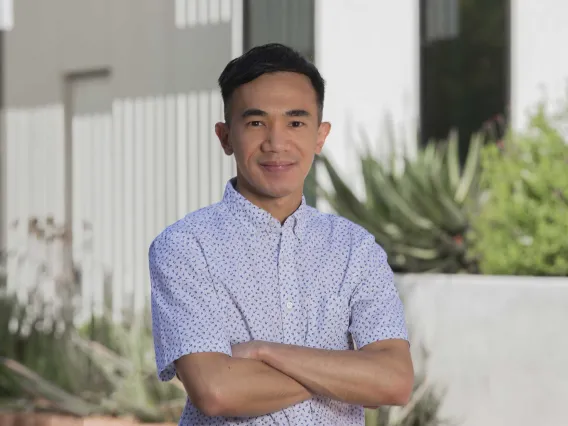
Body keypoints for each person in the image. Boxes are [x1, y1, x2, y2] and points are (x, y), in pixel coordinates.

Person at [149, 43, 414, 425]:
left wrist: (261, 353)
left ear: (320, 136)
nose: (276, 143)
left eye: (296, 122)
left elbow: (395, 381)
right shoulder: (186, 248)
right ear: (225, 137)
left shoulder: (356, 250)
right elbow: (216, 391)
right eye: (256, 122)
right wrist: (349, 374)